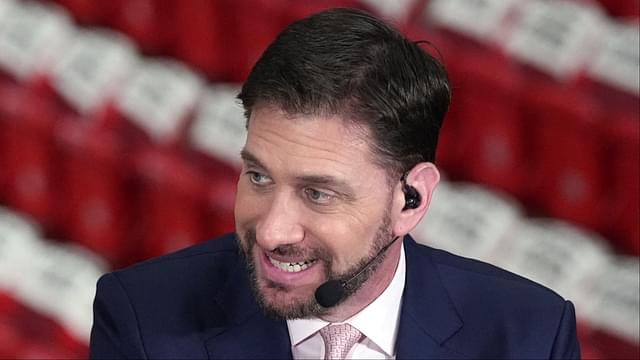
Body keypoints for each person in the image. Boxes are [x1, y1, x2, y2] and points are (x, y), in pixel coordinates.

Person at [89, 8, 580, 359]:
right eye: (258, 176)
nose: (272, 231)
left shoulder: (530, 336)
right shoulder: (141, 320)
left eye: (318, 193)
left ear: (411, 200)